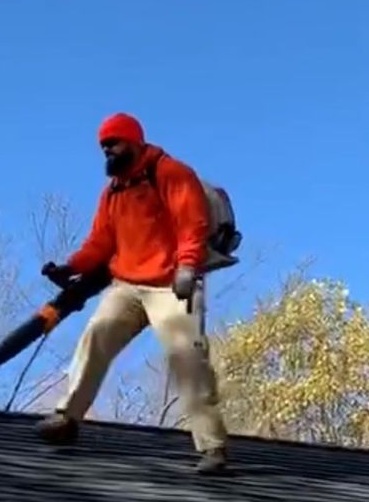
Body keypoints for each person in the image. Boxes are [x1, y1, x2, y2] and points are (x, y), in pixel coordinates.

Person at [36, 112, 231, 475]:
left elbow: (192, 224)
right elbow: (100, 243)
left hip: (172, 284)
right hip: (127, 285)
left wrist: (188, 267)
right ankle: (67, 419)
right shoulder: (113, 192)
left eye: (113, 142)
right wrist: (70, 267)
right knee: (96, 336)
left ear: (134, 140)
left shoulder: (171, 173)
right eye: (103, 146)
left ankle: (212, 447)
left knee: (187, 357)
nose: (107, 150)